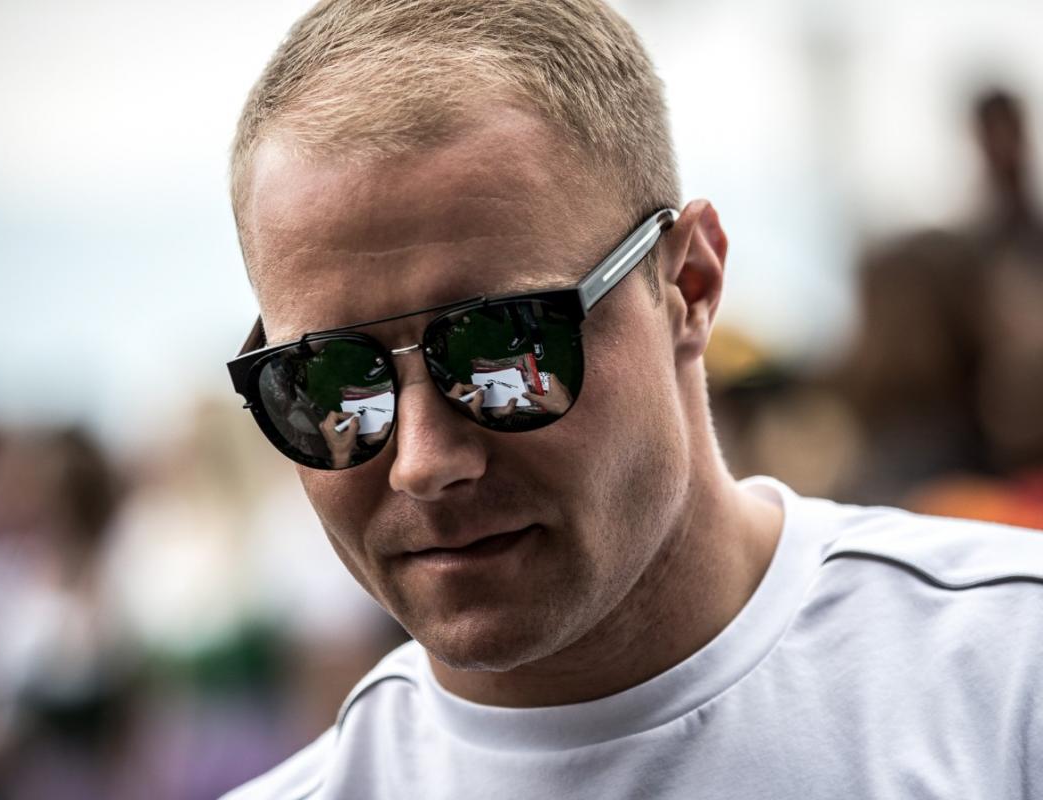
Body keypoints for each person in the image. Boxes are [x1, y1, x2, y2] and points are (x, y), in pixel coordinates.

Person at [220, 2, 1043, 797]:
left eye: (505, 348)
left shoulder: (1009, 682)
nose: (425, 463)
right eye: (329, 380)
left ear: (689, 285)